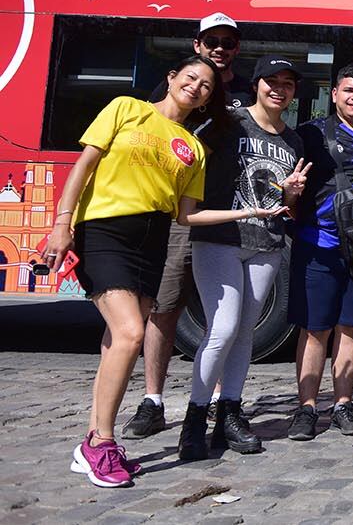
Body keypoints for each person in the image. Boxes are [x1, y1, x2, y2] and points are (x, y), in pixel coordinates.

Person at [47, 56, 221, 488]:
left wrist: (249, 212)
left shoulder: (194, 148)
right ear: (171, 78)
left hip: (154, 240)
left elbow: (186, 216)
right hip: (106, 231)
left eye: (206, 86)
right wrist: (61, 224)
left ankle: (92, 437)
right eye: (191, 77)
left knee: (115, 342)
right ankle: (100, 443)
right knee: (130, 334)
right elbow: (84, 165)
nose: (197, 87)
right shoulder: (126, 108)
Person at [122, 13, 254, 441]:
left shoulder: (248, 90)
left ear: (237, 49)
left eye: (229, 42)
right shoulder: (173, 87)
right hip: (181, 213)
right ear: (197, 44)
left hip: (229, 217)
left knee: (226, 318)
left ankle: (217, 399)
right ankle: (153, 401)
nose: (220, 48)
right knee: (165, 307)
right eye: (212, 40)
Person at [178, 56, 310, 462]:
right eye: (271, 81)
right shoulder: (229, 122)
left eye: (287, 83)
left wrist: (291, 193)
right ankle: (195, 418)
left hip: (267, 242)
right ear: (256, 84)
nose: (279, 89)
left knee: (247, 332)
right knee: (223, 328)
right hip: (219, 237)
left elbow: (283, 203)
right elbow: (187, 155)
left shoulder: (295, 140)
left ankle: (229, 414)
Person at [286, 63, 353, 442]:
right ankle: (306, 408)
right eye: (349, 90)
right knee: (315, 328)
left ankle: (344, 404)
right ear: (335, 93)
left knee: (352, 325)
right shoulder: (309, 134)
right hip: (318, 244)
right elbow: (291, 187)